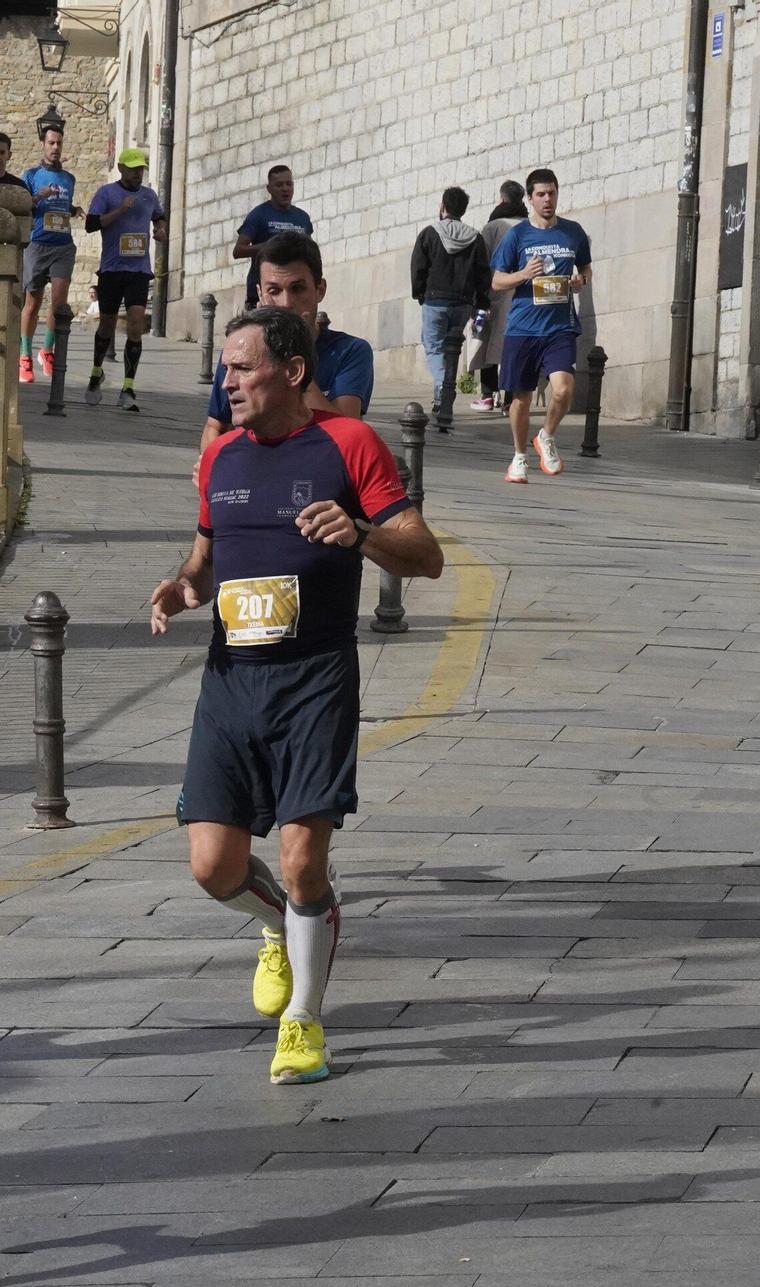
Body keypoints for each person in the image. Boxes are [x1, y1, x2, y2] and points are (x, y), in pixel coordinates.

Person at [151, 307, 443, 1085]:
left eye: (242, 368)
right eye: (225, 368)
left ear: (292, 371)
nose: (228, 382)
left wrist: (360, 530)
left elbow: (427, 555)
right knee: (213, 866)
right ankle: (281, 923)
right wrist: (183, 587)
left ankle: (304, 1020)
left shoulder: (350, 444)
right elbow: (208, 555)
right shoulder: (221, 459)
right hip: (230, 677)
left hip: (314, 676)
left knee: (304, 855)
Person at [196, 232, 373, 466]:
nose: (286, 303)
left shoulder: (349, 351)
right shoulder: (239, 351)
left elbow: (347, 435)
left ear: (320, 289)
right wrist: (216, 475)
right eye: (274, 291)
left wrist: (297, 352)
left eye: (297, 289)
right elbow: (215, 426)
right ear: (260, 294)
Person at [490, 167, 591, 483]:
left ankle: (546, 436)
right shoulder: (517, 235)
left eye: (552, 193)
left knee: (564, 389)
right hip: (522, 328)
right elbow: (496, 281)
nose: (548, 200)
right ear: (530, 199)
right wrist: (523, 275)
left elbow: (586, 267)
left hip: (560, 327)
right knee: (521, 399)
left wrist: (580, 281)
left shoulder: (572, 231)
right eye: (541, 195)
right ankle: (519, 456)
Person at [83, 147, 167, 412]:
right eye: (132, 170)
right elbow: (91, 224)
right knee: (107, 327)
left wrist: (160, 230)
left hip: (139, 271)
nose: (137, 174)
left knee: (135, 324)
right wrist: (119, 211)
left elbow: (159, 216)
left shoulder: (149, 195)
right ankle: (96, 372)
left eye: (140, 169)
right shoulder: (107, 193)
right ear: (121, 169)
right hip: (111, 269)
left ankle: (128, 387)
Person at [410, 186, 491, 432]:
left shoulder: (429, 233)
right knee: (452, 350)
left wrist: (420, 293)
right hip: (463, 303)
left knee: (434, 347)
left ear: (442, 207)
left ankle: (442, 389)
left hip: (435, 300)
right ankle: (443, 394)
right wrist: (481, 303)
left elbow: (418, 267)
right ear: (463, 210)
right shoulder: (475, 237)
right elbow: (483, 273)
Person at [18, 123, 79, 384]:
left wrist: (74, 210)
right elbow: (21, 205)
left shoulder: (69, 179)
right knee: (32, 301)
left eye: (59, 143)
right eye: (51, 143)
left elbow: (62, 206)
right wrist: (36, 197)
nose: (56, 147)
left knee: (58, 302)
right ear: (43, 144)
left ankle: (47, 351)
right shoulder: (31, 175)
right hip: (38, 244)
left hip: (63, 245)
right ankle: (24, 355)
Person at [473, 180, 527, 412]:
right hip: (522, 291)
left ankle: (487, 394)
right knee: (512, 343)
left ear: (502, 199)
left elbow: (481, 261)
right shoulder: (530, 225)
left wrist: (478, 292)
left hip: (495, 290)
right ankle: (509, 398)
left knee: (486, 339)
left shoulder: (493, 226)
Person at [234, 165, 313, 309]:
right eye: (279, 185)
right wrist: (270, 246)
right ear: (269, 189)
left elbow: (311, 253)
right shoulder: (258, 215)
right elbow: (238, 250)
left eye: (289, 184)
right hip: (265, 295)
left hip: (296, 293)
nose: (285, 189)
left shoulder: (303, 218)